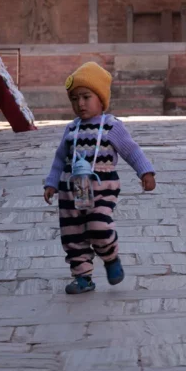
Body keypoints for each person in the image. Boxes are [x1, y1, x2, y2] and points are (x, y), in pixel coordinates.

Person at [43, 62, 156, 294]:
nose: (80, 104)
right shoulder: (71, 129)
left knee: (98, 226)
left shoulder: (111, 127)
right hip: (70, 190)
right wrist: (52, 183)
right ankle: (83, 277)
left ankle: (110, 256)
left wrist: (145, 171)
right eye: (74, 99)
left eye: (86, 97)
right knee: (72, 233)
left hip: (102, 188)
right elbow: (59, 159)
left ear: (101, 98)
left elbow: (131, 151)